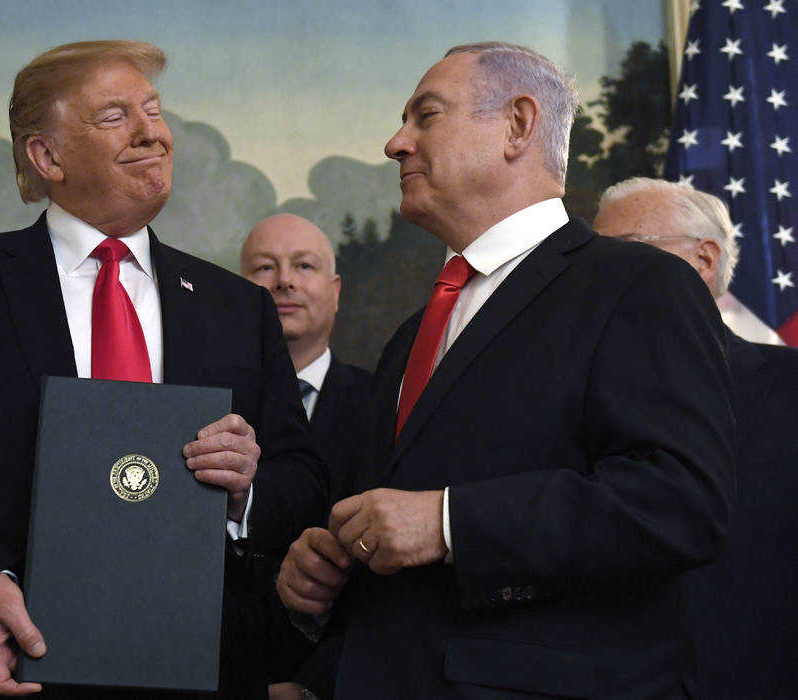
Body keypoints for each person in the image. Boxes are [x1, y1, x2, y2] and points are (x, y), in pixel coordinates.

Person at [0, 41, 324, 700]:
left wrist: (246, 492)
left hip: (195, 671)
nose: (153, 133)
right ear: (47, 156)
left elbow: (303, 477)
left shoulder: (239, 308)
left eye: (154, 110)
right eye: (117, 116)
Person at [276, 42, 733, 699]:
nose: (394, 143)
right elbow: (400, 559)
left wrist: (448, 522)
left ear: (518, 124)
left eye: (425, 116)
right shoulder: (411, 337)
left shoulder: (637, 284)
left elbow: (681, 501)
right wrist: (328, 582)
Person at [593, 177, 798, 700]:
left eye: (627, 251)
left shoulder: (789, 389)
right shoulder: (561, 395)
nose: (597, 275)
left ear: (705, 260)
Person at [239, 215, 372, 694]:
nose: (285, 280)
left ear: (335, 290)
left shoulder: (384, 406)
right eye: (264, 268)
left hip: (342, 675)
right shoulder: (203, 407)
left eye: (304, 265)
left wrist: (317, 684)